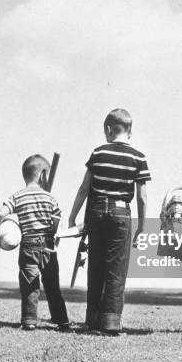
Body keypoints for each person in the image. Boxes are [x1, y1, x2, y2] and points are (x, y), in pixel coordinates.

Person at [68, 109, 150, 336]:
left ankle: (93, 320)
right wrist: (142, 227)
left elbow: (85, 188)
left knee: (95, 265)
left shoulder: (98, 152)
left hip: (96, 212)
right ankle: (111, 322)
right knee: (116, 268)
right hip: (121, 212)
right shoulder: (139, 157)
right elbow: (142, 197)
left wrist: (72, 216)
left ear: (107, 129)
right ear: (130, 131)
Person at [0, 155, 69, 331]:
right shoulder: (50, 198)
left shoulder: (17, 196)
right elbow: (57, 221)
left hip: (28, 245)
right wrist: (55, 237)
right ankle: (61, 320)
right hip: (48, 245)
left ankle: (29, 320)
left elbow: (1, 214)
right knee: (52, 284)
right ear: (44, 175)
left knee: (29, 283)